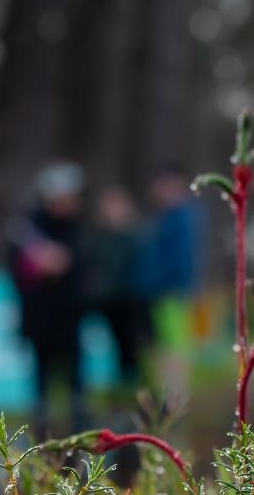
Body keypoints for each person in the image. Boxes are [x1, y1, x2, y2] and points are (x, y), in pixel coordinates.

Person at [8, 163, 89, 437]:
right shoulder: (28, 226)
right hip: (40, 315)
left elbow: (87, 266)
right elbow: (13, 265)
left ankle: (79, 425)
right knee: (40, 372)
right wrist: (39, 263)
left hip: (70, 314)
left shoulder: (79, 229)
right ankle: (41, 428)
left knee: (74, 373)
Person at [135, 164, 205, 408]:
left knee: (174, 348)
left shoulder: (179, 219)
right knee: (165, 348)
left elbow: (180, 260)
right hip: (162, 292)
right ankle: (170, 397)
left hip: (172, 293)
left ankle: (174, 400)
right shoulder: (167, 217)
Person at [87, 184, 146, 399]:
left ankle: (135, 396)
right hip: (107, 304)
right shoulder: (98, 237)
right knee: (110, 354)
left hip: (131, 303)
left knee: (133, 354)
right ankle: (118, 396)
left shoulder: (135, 236)